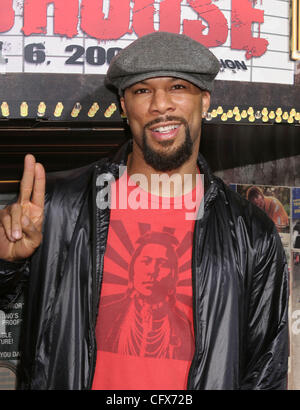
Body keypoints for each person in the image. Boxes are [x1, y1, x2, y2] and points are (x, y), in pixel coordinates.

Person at [0, 32, 288, 390]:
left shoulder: (251, 231)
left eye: (178, 87)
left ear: (205, 101)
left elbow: (265, 368)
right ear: (124, 107)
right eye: (142, 90)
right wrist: (5, 261)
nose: (160, 105)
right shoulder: (60, 206)